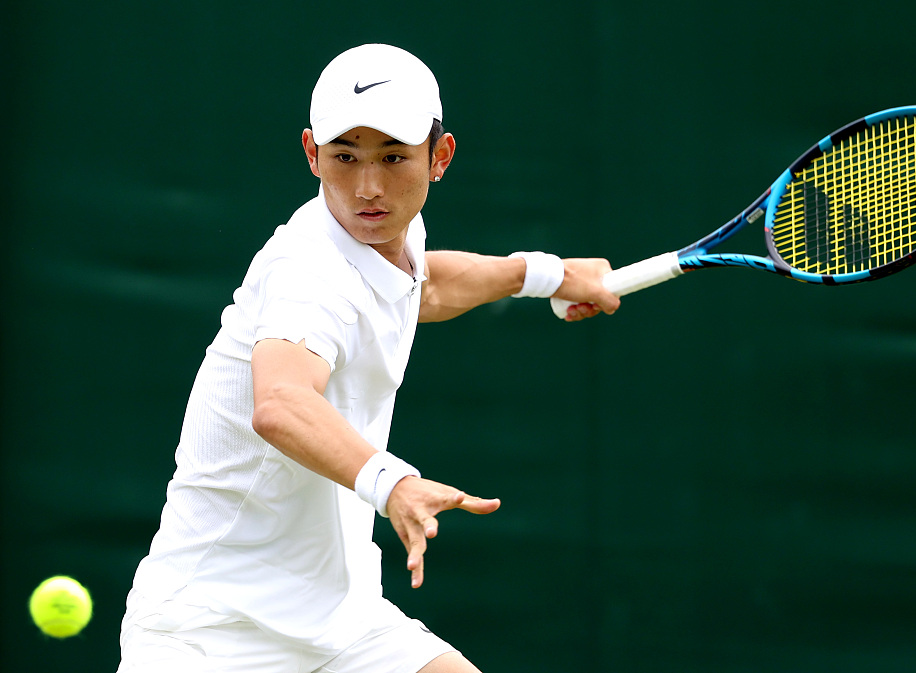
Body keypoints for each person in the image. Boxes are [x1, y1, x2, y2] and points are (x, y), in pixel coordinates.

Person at [117, 43, 620, 673]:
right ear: (312, 155)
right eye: (345, 158)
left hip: (342, 621)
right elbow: (280, 402)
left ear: (440, 157)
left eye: (393, 157)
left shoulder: (391, 235)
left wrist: (546, 274)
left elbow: (423, 287)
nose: (369, 187)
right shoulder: (306, 271)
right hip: (208, 630)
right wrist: (394, 484)